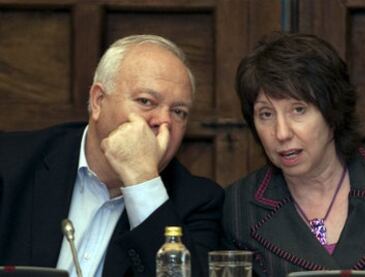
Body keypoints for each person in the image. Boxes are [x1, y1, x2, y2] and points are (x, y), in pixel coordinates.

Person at [0, 35, 224, 276]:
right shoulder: (10, 163)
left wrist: (142, 180)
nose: (164, 122)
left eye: (178, 112)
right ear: (98, 101)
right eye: (146, 101)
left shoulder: (197, 202)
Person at [222, 32, 365, 276]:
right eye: (266, 114)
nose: (281, 133)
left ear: (332, 112)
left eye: (298, 110)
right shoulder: (238, 207)